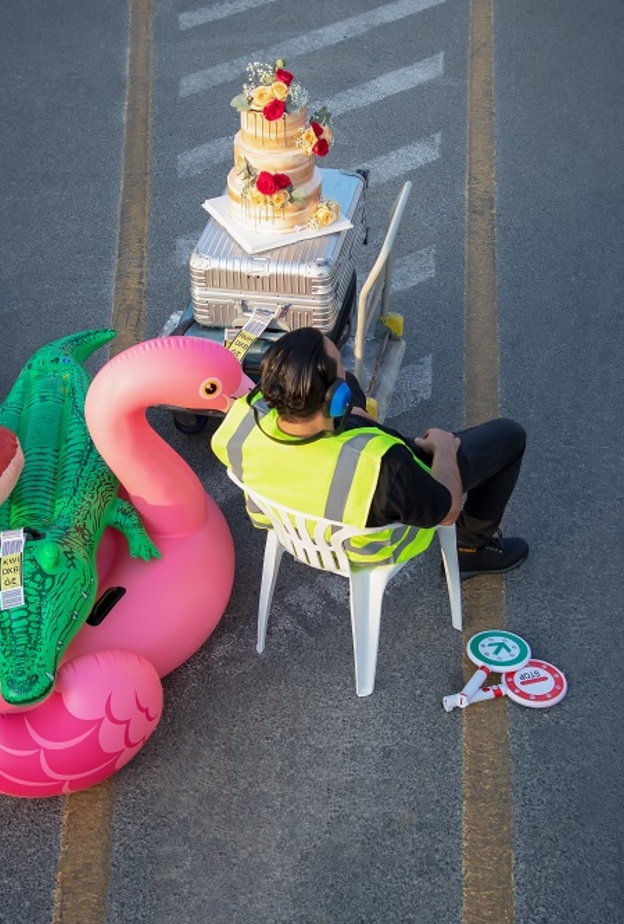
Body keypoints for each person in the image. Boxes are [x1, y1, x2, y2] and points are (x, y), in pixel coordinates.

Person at [211, 327, 528, 580]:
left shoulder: (239, 426)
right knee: (509, 436)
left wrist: (356, 415)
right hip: (366, 546)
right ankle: (472, 551)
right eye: (339, 366)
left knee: (349, 385)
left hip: (293, 525)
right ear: (334, 403)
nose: (345, 370)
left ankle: (353, 410)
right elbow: (447, 511)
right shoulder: (383, 463)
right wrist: (443, 446)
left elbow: (338, 387)